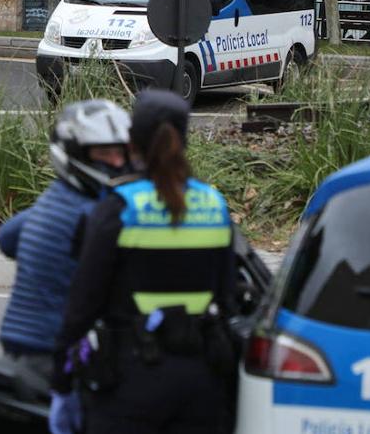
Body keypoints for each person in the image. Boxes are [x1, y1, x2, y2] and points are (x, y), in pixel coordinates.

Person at [51, 89, 236, 434]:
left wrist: (61, 383)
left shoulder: (119, 209)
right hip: (200, 383)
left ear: (132, 144)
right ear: (184, 141)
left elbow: (81, 308)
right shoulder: (214, 205)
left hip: (130, 381)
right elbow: (228, 297)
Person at [0, 99, 132, 379]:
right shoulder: (93, 214)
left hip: (19, 341)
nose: (117, 163)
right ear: (75, 154)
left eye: (121, 152)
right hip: (55, 350)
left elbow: (6, 238)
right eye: (105, 153)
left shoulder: (57, 198)